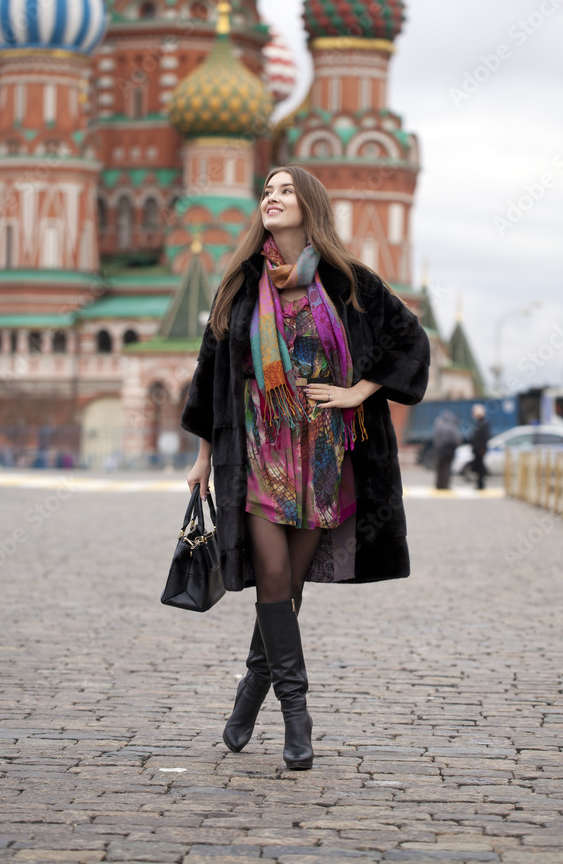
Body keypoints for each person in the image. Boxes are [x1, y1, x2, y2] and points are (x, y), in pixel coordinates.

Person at [182, 165, 430, 771]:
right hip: (258, 453)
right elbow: (211, 372)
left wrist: (356, 393)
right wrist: (202, 457)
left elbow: (410, 342)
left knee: (288, 587)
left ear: (309, 204)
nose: (271, 197)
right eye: (266, 190)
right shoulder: (240, 287)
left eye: (285, 189)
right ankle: (298, 716)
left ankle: (250, 690)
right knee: (272, 576)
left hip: (325, 457)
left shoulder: (350, 284)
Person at [432, 410, 462, 489]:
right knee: (447, 469)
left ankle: (438, 485)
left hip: (439, 451)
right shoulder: (452, 427)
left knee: (439, 469)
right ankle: (445, 485)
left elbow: (435, 438)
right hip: (449, 451)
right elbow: (458, 440)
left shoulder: (439, 426)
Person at [469, 403, 490, 490]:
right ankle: (479, 484)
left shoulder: (483, 423)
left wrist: (482, 449)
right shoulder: (479, 423)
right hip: (477, 449)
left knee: (480, 467)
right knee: (478, 467)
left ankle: (481, 485)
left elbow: (484, 437)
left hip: (480, 450)